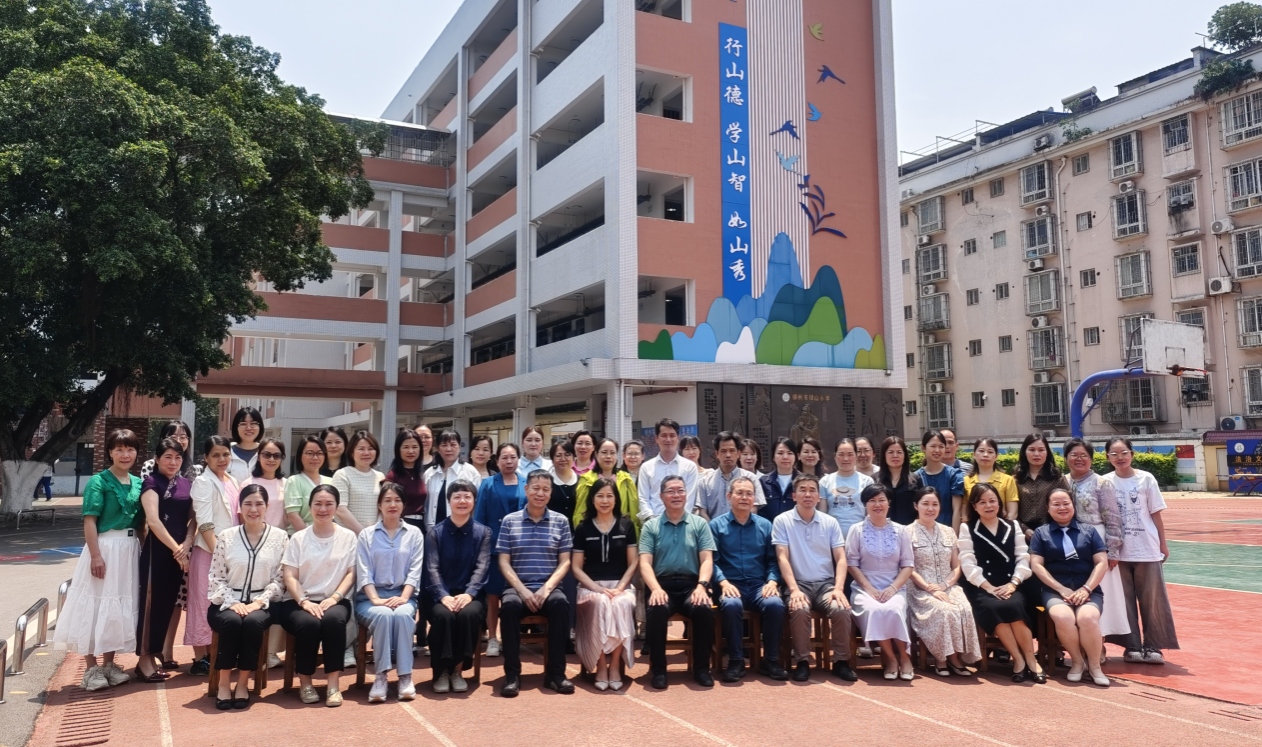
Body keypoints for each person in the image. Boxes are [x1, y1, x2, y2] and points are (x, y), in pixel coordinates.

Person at [54, 429, 143, 691]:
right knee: (94, 605)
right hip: (105, 548)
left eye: (130, 449)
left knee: (117, 606)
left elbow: (142, 525)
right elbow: (90, 520)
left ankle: (109, 665)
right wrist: (95, 555)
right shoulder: (99, 482)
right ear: (110, 452)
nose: (125, 455)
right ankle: (91, 668)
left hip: (129, 551)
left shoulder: (138, 483)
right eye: (119, 449)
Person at [206, 484, 288, 709]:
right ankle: (224, 683)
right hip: (225, 603)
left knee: (252, 622)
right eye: (248, 504)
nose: (253, 509)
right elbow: (216, 577)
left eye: (259, 504)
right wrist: (233, 603)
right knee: (232, 622)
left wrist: (258, 602)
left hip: (263, 604)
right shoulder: (226, 536)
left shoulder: (280, 537)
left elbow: (281, 579)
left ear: (267, 506)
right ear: (239, 507)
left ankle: (243, 683)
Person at [1100, 437, 1179, 665]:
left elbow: (1155, 513)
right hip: (1118, 552)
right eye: (1114, 454)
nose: (1120, 457)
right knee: (1123, 600)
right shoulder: (1104, 482)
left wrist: (1163, 543)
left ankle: (1154, 646)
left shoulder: (1146, 479)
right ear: (1107, 457)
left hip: (1146, 548)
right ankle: (1131, 646)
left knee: (1152, 600)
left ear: (1132, 454)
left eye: (1124, 452)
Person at [496, 470, 575, 696]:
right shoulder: (510, 521)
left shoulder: (561, 521)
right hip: (517, 588)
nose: (540, 493)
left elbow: (565, 562)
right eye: (536, 488)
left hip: (548, 589)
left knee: (561, 604)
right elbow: (503, 562)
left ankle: (556, 674)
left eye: (545, 489)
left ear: (551, 493)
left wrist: (545, 589)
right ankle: (512, 675)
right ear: (526, 490)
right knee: (509, 606)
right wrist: (523, 591)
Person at [772, 474, 857, 682]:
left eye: (812, 490)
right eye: (802, 490)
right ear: (794, 496)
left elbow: (841, 558)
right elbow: (782, 557)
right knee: (799, 609)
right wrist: (794, 590)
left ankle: (841, 661)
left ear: (819, 497)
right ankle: (802, 662)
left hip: (825, 585)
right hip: (798, 584)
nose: (808, 494)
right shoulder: (782, 521)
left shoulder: (830, 522)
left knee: (841, 608)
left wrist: (838, 589)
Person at [278, 484, 357, 706]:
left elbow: (352, 573)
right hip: (297, 601)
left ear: (336, 507)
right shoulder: (298, 538)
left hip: (335, 599)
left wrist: (334, 598)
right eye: (318, 504)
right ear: (310, 506)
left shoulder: (348, 537)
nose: (323, 509)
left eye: (329, 504)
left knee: (333, 620)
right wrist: (304, 602)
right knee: (309, 623)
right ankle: (305, 683)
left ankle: (333, 685)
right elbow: (290, 576)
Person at [958, 483, 1046, 683]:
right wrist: (988, 587)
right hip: (982, 586)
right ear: (974, 506)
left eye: (992, 501)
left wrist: (1013, 583)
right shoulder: (967, 528)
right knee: (994, 607)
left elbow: (1023, 558)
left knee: (1014, 605)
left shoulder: (1012, 526)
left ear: (999, 503)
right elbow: (967, 562)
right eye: (982, 502)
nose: (988, 505)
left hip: (1011, 582)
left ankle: (1031, 660)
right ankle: (1018, 660)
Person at [639, 474, 716, 689]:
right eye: (671, 491)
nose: (676, 495)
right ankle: (658, 670)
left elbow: (707, 559)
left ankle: (701, 669)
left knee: (704, 609)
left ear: (686, 494)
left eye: (680, 490)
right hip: (661, 585)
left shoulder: (699, 524)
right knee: (656, 609)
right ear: (661, 496)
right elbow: (644, 563)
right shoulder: (651, 526)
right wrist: (655, 589)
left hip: (692, 585)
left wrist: (702, 586)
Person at [1029, 489, 1111, 686]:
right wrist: (1060, 589)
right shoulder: (1041, 533)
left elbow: (1102, 562)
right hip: (1055, 591)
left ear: (1073, 506)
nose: (1062, 508)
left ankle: (1095, 667)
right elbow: (1036, 565)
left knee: (1087, 618)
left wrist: (1086, 589)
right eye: (1056, 504)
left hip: (1087, 590)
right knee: (1063, 617)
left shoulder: (1089, 531)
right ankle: (1077, 662)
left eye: (1066, 503)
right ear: (1048, 508)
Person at [712, 477, 788, 682]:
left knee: (775, 604)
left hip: (758, 586)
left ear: (754, 498)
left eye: (749, 494)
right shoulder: (716, 526)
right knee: (731, 605)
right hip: (730, 585)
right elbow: (711, 561)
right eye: (739, 493)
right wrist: (723, 582)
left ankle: (770, 660)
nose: (744, 497)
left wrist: (772, 582)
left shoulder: (765, 525)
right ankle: (736, 660)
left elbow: (773, 560)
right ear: (729, 497)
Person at [355, 482, 425, 702]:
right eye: (387, 500)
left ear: (404, 505)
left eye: (397, 500)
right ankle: (381, 677)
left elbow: (415, 570)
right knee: (384, 615)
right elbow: (363, 571)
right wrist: (375, 599)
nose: (392, 504)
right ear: (379, 505)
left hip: (403, 596)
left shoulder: (414, 534)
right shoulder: (366, 535)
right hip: (370, 599)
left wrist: (404, 597)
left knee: (403, 615)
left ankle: (405, 676)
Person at [136, 438, 195, 682]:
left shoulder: (186, 484)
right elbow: (153, 521)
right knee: (150, 606)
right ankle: (143, 661)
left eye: (178, 457)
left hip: (179, 553)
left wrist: (187, 543)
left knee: (166, 607)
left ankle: (153, 657)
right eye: (168, 457)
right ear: (157, 459)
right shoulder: (151, 482)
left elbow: (193, 518)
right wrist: (177, 549)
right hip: (157, 552)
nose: (173, 462)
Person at [424, 479, 491, 693]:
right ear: (449, 501)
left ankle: (458, 671)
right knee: (443, 616)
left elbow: (482, 566)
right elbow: (432, 568)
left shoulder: (483, 533)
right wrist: (443, 595)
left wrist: (469, 594)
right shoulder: (435, 532)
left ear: (474, 500)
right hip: (440, 595)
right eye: (457, 497)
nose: (462, 501)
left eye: (467, 496)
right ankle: (441, 672)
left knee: (467, 615)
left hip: (471, 595)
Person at [906, 487, 981, 676]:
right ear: (916, 506)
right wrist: (930, 589)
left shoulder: (948, 532)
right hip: (920, 589)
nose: (930, 508)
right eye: (925, 504)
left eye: (935, 504)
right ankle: (942, 658)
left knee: (964, 608)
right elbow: (908, 568)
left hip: (948, 585)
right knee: (943, 610)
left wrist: (945, 585)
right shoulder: (906, 532)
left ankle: (956, 657)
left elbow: (956, 566)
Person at [572, 476, 638, 689]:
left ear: (616, 499)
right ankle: (601, 664)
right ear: (592, 499)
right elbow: (576, 567)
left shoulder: (627, 526)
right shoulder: (583, 528)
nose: (605, 500)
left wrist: (620, 588)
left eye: (609, 496)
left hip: (621, 586)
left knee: (621, 603)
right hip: (590, 587)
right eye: (600, 496)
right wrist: (597, 588)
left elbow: (633, 563)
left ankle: (615, 665)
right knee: (600, 602)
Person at [1063, 438, 1129, 647]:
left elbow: (1113, 518)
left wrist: (1113, 551)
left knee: (1100, 593)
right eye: (1074, 455)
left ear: (1091, 459)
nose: (1079, 459)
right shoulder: (1062, 482)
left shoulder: (1101, 483)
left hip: (1097, 543)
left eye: (1084, 455)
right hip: (1068, 542)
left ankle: (1098, 645)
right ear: (1066, 458)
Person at [847, 484, 916, 681]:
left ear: (889, 503)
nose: (877, 504)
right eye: (872, 500)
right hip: (864, 588)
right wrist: (869, 589)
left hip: (894, 586)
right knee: (875, 609)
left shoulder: (901, 531)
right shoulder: (856, 530)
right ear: (865, 504)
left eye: (881, 500)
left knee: (893, 609)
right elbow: (851, 564)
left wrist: (893, 588)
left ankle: (905, 657)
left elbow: (908, 565)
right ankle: (891, 658)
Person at [188, 435, 242, 677]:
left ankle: (216, 653)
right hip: (209, 554)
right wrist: (221, 556)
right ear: (206, 458)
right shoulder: (203, 482)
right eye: (216, 455)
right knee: (203, 604)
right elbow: (205, 523)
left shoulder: (232, 480)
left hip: (231, 553)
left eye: (226, 454)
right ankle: (200, 658)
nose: (222, 459)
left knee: (222, 604)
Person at [474, 443, 526, 658]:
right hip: (494, 547)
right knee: (493, 595)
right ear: (497, 461)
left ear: (518, 459)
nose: (509, 461)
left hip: (520, 547)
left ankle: (510, 637)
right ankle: (493, 638)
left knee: (514, 594)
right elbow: (479, 518)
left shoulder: (526, 482)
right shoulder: (488, 484)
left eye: (513, 457)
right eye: (504, 457)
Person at [697, 432, 767, 520]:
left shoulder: (751, 478)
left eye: (732, 451)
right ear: (717, 454)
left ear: (738, 453)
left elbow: (753, 509)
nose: (728, 455)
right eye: (723, 451)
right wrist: (713, 527)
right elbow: (702, 512)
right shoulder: (705, 482)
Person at [637, 419, 700, 517]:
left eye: (672, 435)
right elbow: (643, 498)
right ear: (656, 438)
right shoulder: (646, 467)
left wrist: (679, 521)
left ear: (678, 438)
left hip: (682, 522)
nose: (668, 439)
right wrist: (652, 521)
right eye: (664, 435)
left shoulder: (690, 467)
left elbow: (689, 499)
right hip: (654, 521)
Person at [575, 437, 641, 530]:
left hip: (620, 531)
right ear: (596, 454)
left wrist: (634, 533)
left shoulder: (626, 479)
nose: (608, 456)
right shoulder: (586, 480)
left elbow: (634, 511)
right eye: (604, 452)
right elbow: (580, 512)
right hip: (593, 532)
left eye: (612, 453)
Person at [423, 429, 483, 529]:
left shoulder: (470, 472)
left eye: (453, 445)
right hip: (433, 530)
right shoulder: (430, 473)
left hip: (462, 529)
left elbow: (478, 504)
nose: (449, 449)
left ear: (459, 446)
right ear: (437, 448)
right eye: (444, 445)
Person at [1015, 432, 1070, 538]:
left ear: (1047, 452)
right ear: (1024, 452)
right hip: (1023, 533)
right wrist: (1024, 529)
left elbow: (1068, 506)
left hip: (1053, 531)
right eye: (1032, 450)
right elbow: (1011, 511)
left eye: (1041, 450)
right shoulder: (1015, 480)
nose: (1036, 454)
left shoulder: (1057, 478)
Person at [330, 429, 385, 534]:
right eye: (361, 449)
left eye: (371, 448)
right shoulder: (342, 474)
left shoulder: (380, 476)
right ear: (352, 452)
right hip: (347, 536)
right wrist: (364, 533)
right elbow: (340, 509)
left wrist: (376, 531)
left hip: (375, 535)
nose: (366, 453)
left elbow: (382, 507)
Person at [819, 438, 874, 538]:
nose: (845, 459)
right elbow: (822, 515)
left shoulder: (867, 481)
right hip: (833, 538)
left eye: (850, 454)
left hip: (860, 537)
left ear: (856, 456)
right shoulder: (825, 482)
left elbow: (870, 515)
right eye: (841, 454)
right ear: (835, 456)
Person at [914, 430, 964, 532]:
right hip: (923, 532)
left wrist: (953, 536)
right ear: (923, 448)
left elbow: (957, 510)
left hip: (948, 530)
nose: (937, 450)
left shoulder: (953, 475)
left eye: (941, 446)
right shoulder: (916, 477)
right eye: (933, 446)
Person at [964, 438, 1018, 521]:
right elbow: (964, 512)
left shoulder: (1008, 480)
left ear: (996, 456)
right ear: (974, 455)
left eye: (990, 452)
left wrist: (1003, 527)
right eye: (981, 451)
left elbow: (1012, 512)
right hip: (973, 527)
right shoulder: (966, 481)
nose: (985, 455)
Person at [385, 429, 428, 532]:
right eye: (406, 447)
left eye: (415, 447)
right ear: (398, 450)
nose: (411, 451)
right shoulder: (392, 477)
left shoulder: (424, 474)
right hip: (400, 526)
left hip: (421, 525)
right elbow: (385, 505)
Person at [285, 436, 330, 533]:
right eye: (309, 453)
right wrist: (311, 538)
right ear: (300, 455)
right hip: (300, 537)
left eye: (319, 453)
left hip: (327, 536)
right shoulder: (294, 481)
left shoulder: (331, 481)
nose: (315, 457)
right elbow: (293, 515)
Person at [243, 437, 287, 529]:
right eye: (267, 455)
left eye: (276, 456)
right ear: (258, 456)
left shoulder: (287, 484)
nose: (271, 459)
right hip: (254, 535)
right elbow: (242, 517)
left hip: (281, 535)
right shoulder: (248, 484)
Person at [878, 436, 922, 526]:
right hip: (882, 530)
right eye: (890, 452)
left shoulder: (915, 479)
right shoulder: (876, 479)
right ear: (884, 455)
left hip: (909, 530)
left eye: (899, 452)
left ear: (904, 455)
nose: (895, 456)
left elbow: (921, 506)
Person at [758, 437, 800, 521]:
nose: (785, 457)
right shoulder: (763, 482)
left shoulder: (803, 481)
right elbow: (761, 512)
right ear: (773, 457)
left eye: (789, 453)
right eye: (780, 453)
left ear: (796, 456)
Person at [227, 407, 264, 484]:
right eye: (243, 424)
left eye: (253, 423)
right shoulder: (226, 452)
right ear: (236, 427)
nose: (248, 428)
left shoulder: (266, 452)